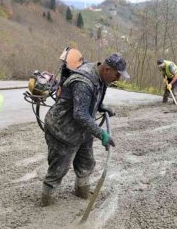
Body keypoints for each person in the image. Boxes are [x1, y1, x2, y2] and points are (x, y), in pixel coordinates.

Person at [41, 53, 130, 206]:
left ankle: (82, 192)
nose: (118, 79)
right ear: (107, 69)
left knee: (86, 162)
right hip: (62, 130)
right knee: (58, 169)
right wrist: (101, 134)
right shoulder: (84, 81)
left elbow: (92, 98)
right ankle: (46, 202)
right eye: (117, 75)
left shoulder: (101, 78)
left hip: (82, 130)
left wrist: (101, 107)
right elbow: (80, 114)